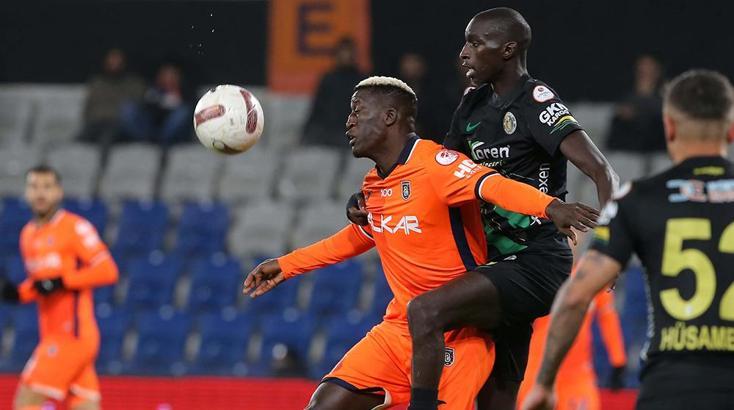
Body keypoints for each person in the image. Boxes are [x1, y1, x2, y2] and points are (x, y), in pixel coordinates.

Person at [244, 76, 598, 409]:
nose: (349, 122)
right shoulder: (374, 184)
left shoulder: (436, 165)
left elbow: (493, 185)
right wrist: (286, 265)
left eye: (357, 111)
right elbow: (358, 237)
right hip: (397, 332)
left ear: (389, 117)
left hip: (455, 335)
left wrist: (550, 206)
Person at [346, 8, 615, 410]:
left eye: (475, 43)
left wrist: (609, 252)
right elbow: (432, 172)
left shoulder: (536, 102)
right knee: (498, 397)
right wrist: (370, 196)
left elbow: (602, 171)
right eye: (465, 43)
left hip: (535, 262)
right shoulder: (472, 105)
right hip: (492, 264)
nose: (464, 53)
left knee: (425, 311)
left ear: (507, 49)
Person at [522, 69, 734, 410]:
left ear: (669, 127)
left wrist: (544, 383)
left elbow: (575, 297)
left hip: (670, 388)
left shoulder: (638, 199)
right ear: (731, 129)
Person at [0, 165, 119, 410]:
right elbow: (40, 285)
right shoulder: (28, 235)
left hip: (71, 335)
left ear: (59, 192)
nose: (40, 193)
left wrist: (63, 281)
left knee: (26, 401)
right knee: (84, 405)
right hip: (56, 335)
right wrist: (15, 294)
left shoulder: (74, 227)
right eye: (34, 187)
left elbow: (108, 270)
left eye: (47, 187)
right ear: (26, 192)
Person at [516, 276, 627, 410]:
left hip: (576, 373)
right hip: (537, 371)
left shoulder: (594, 274)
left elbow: (607, 316)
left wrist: (618, 360)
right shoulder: (542, 272)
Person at [301, 37, 364, 147]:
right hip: (329, 131)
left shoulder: (361, 81)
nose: (345, 56)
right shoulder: (328, 79)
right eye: (343, 52)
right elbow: (317, 108)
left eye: (348, 52)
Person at [77, 48, 145, 146]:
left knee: (107, 138)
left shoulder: (134, 84)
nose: (114, 65)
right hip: (96, 123)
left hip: (119, 126)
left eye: (118, 62)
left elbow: (136, 110)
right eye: (111, 62)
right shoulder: (97, 83)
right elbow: (88, 108)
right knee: (78, 141)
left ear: (124, 63)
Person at [120, 63, 193, 146]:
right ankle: (146, 141)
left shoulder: (185, 92)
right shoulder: (153, 91)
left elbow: (190, 113)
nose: (168, 79)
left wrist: (176, 102)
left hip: (171, 134)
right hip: (149, 130)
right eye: (165, 75)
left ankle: (162, 142)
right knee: (128, 108)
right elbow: (144, 109)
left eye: (172, 76)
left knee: (183, 112)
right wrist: (161, 102)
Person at [606, 55, 666, 153]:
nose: (646, 73)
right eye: (642, 70)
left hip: (656, 148)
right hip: (628, 149)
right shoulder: (626, 98)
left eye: (650, 70)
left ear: (657, 72)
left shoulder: (665, 97)